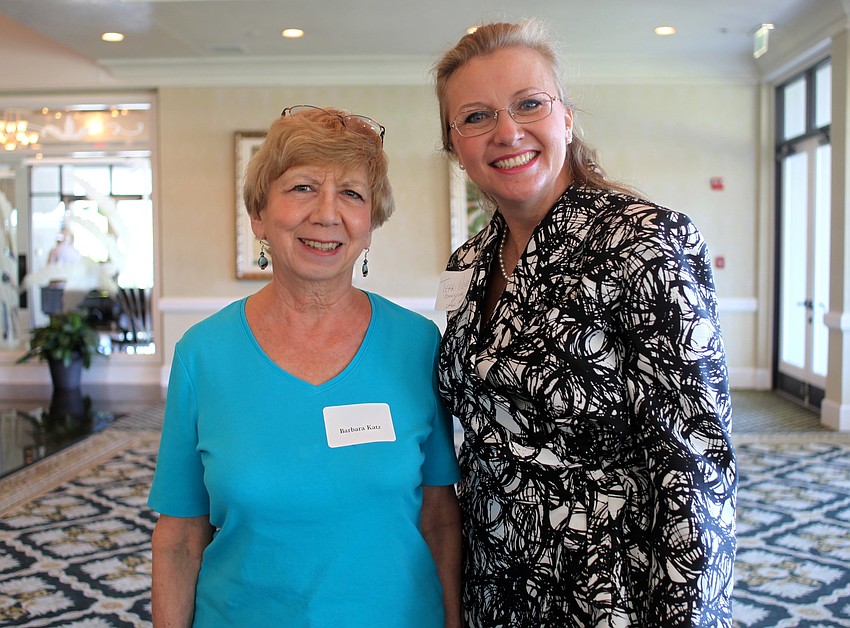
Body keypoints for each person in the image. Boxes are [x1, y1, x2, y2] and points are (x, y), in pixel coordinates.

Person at [433, 20, 737, 627]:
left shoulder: (645, 241)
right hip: (495, 576)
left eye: (529, 104)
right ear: (454, 147)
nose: (507, 131)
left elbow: (697, 464)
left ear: (566, 119)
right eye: (476, 117)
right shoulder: (470, 261)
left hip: (608, 585)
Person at [148, 105, 462, 627]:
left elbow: (439, 517)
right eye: (302, 188)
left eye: (352, 194)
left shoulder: (418, 345)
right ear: (259, 215)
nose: (327, 213)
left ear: (370, 225)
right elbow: (179, 539)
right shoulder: (203, 354)